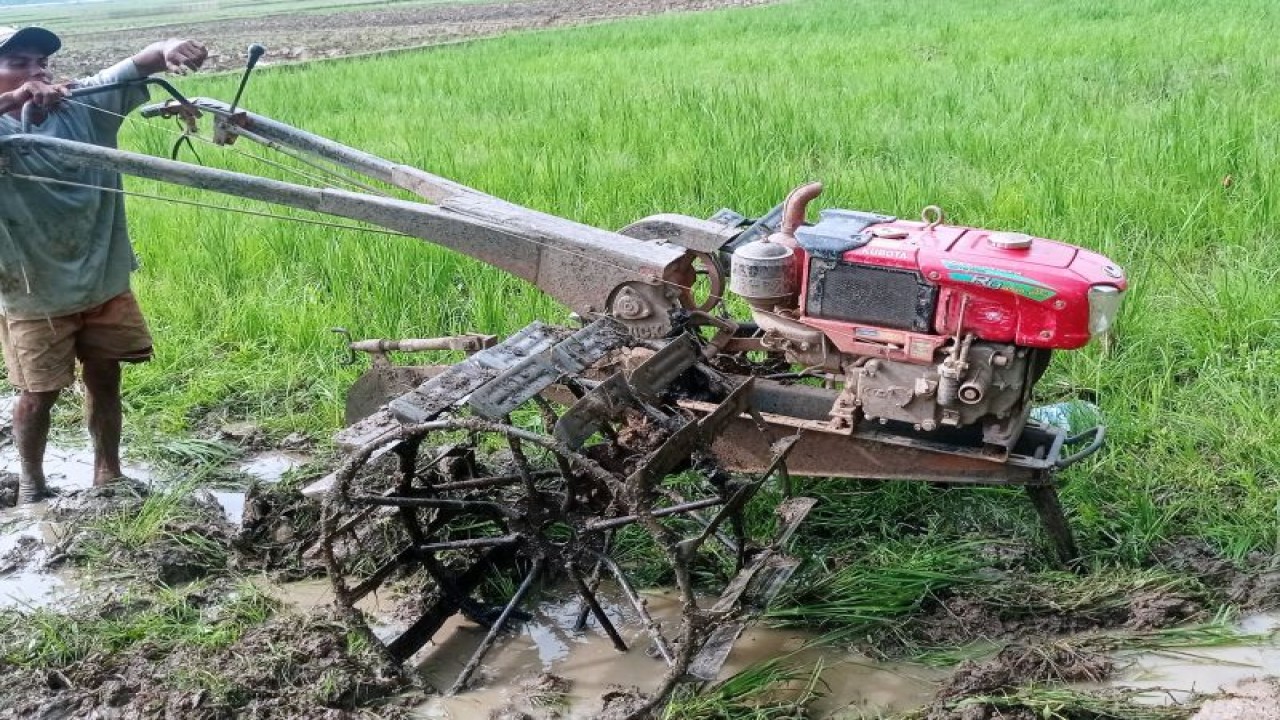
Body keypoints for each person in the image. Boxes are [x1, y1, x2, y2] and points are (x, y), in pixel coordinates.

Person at [0, 27, 208, 503]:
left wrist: (171, 48)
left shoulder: (82, 106)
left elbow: (144, 61)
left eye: (41, 63)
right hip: (34, 293)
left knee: (106, 376)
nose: (36, 71)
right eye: (19, 63)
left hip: (104, 281)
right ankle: (32, 483)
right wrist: (12, 100)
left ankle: (107, 473)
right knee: (39, 394)